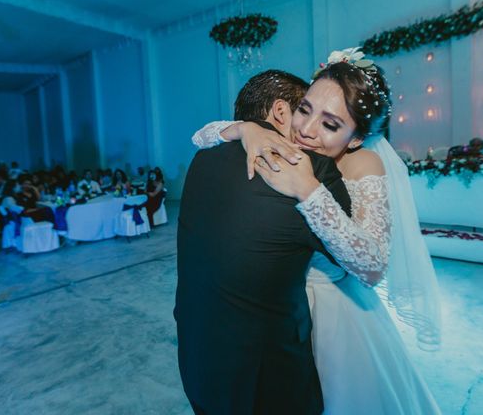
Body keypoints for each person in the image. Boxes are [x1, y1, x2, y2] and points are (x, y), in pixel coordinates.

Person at [193, 48, 441, 414]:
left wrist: (308, 190)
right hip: (280, 310)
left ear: (356, 138)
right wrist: (246, 130)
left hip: (336, 314)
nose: (306, 131)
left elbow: (372, 266)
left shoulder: (364, 162)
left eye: (330, 124)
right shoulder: (287, 141)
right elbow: (200, 137)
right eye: (304, 109)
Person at [176, 69, 353, 415]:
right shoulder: (310, 168)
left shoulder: (202, 159)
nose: (308, 130)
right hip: (266, 377)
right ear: (280, 112)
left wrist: (244, 128)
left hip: (197, 358)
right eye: (303, 109)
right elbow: (346, 259)